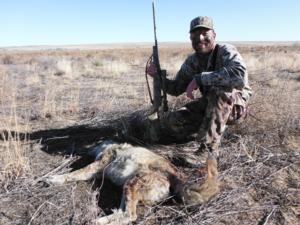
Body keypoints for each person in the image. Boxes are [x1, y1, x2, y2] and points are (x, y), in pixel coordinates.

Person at [144, 16, 252, 154]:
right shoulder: (192, 61)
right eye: (195, 34)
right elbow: (176, 88)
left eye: (204, 33)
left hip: (235, 107)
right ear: (190, 38)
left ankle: (208, 150)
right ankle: (204, 132)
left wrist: (200, 79)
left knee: (220, 92)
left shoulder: (225, 50)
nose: (200, 38)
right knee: (172, 122)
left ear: (214, 35)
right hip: (209, 105)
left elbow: (239, 76)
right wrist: (158, 76)